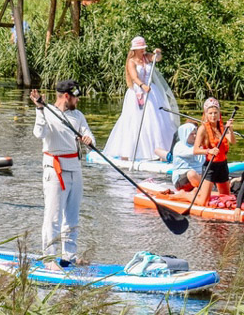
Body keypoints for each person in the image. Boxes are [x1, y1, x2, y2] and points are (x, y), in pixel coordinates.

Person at [30, 80, 94, 269]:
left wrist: (89, 140)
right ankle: (49, 259)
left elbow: (90, 137)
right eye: (76, 97)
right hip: (55, 170)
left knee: (72, 218)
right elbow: (38, 133)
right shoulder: (47, 111)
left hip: (75, 168)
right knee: (53, 217)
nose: (78, 101)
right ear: (66, 96)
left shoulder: (78, 115)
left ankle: (69, 257)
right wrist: (40, 110)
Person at [101, 37, 177, 161]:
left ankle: (160, 151)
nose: (143, 50)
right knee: (134, 121)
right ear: (135, 50)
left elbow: (157, 59)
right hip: (137, 90)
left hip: (150, 92)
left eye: (144, 48)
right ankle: (129, 152)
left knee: (155, 119)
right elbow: (134, 77)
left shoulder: (147, 57)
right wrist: (142, 86)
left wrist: (158, 53)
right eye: (141, 48)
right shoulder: (131, 61)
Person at [192, 97, 236, 206]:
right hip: (210, 167)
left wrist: (230, 129)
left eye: (215, 113)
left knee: (226, 198)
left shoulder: (222, 128)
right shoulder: (202, 129)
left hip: (222, 165)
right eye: (210, 113)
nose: (213, 116)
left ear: (219, 113)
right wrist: (209, 151)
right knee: (203, 202)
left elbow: (233, 141)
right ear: (206, 114)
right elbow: (195, 150)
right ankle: (184, 195)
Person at [167, 123, 205, 191]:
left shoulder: (199, 146)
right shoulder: (179, 146)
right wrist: (208, 150)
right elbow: (193, 152)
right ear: (185, 135)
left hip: (198, 176)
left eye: (195, 133)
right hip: (181, 181)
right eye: (191, 134)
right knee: (191, 173)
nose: (195, 136)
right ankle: (205, 191)